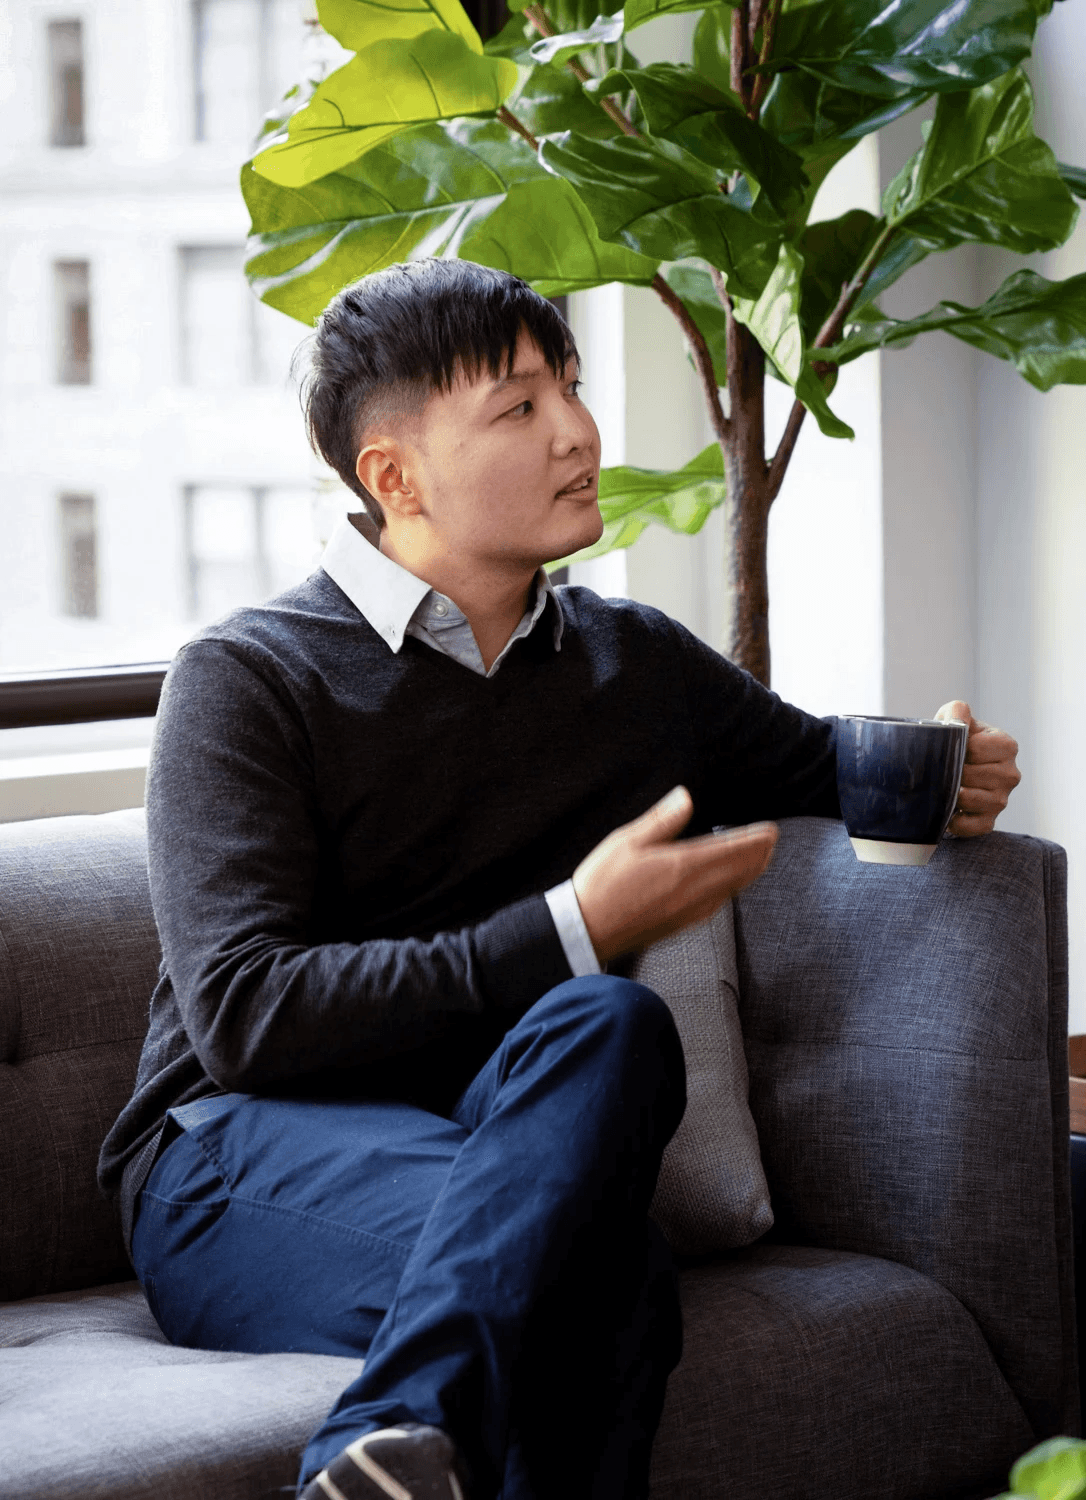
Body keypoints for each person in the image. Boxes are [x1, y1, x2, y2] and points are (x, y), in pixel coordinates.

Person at [98, 259, 1022, 1500]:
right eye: (520, 408)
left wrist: (945, 765)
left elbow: (825, 764)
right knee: (606, 1275)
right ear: (393, 476)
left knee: (611, 1020)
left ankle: (377, 1456)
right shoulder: (247, 680)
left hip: (488, 1143)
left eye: (572, 390)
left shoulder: (630, 665)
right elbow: (250, 1020)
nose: (581, 433)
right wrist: (572, 924)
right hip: (233, 1163)